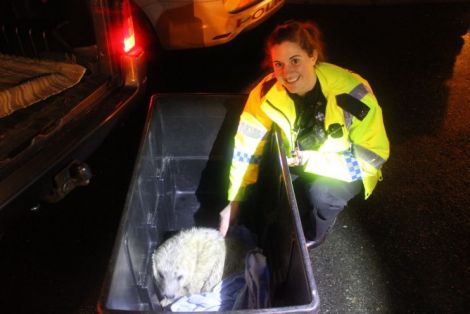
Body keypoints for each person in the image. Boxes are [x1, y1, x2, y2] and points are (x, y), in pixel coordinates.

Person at [218, 20, 390, 248]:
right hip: (301, 159)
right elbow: (245, 149)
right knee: (276, 203)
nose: (286, 73)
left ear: (313, 56)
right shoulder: (266, 93)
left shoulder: (354, 95)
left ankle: (314, 235)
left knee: (320, 195)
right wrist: (235, 201)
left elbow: (373, 158)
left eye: (295, 60)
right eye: (278, 64)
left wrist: (311, 160)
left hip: (347, 167)